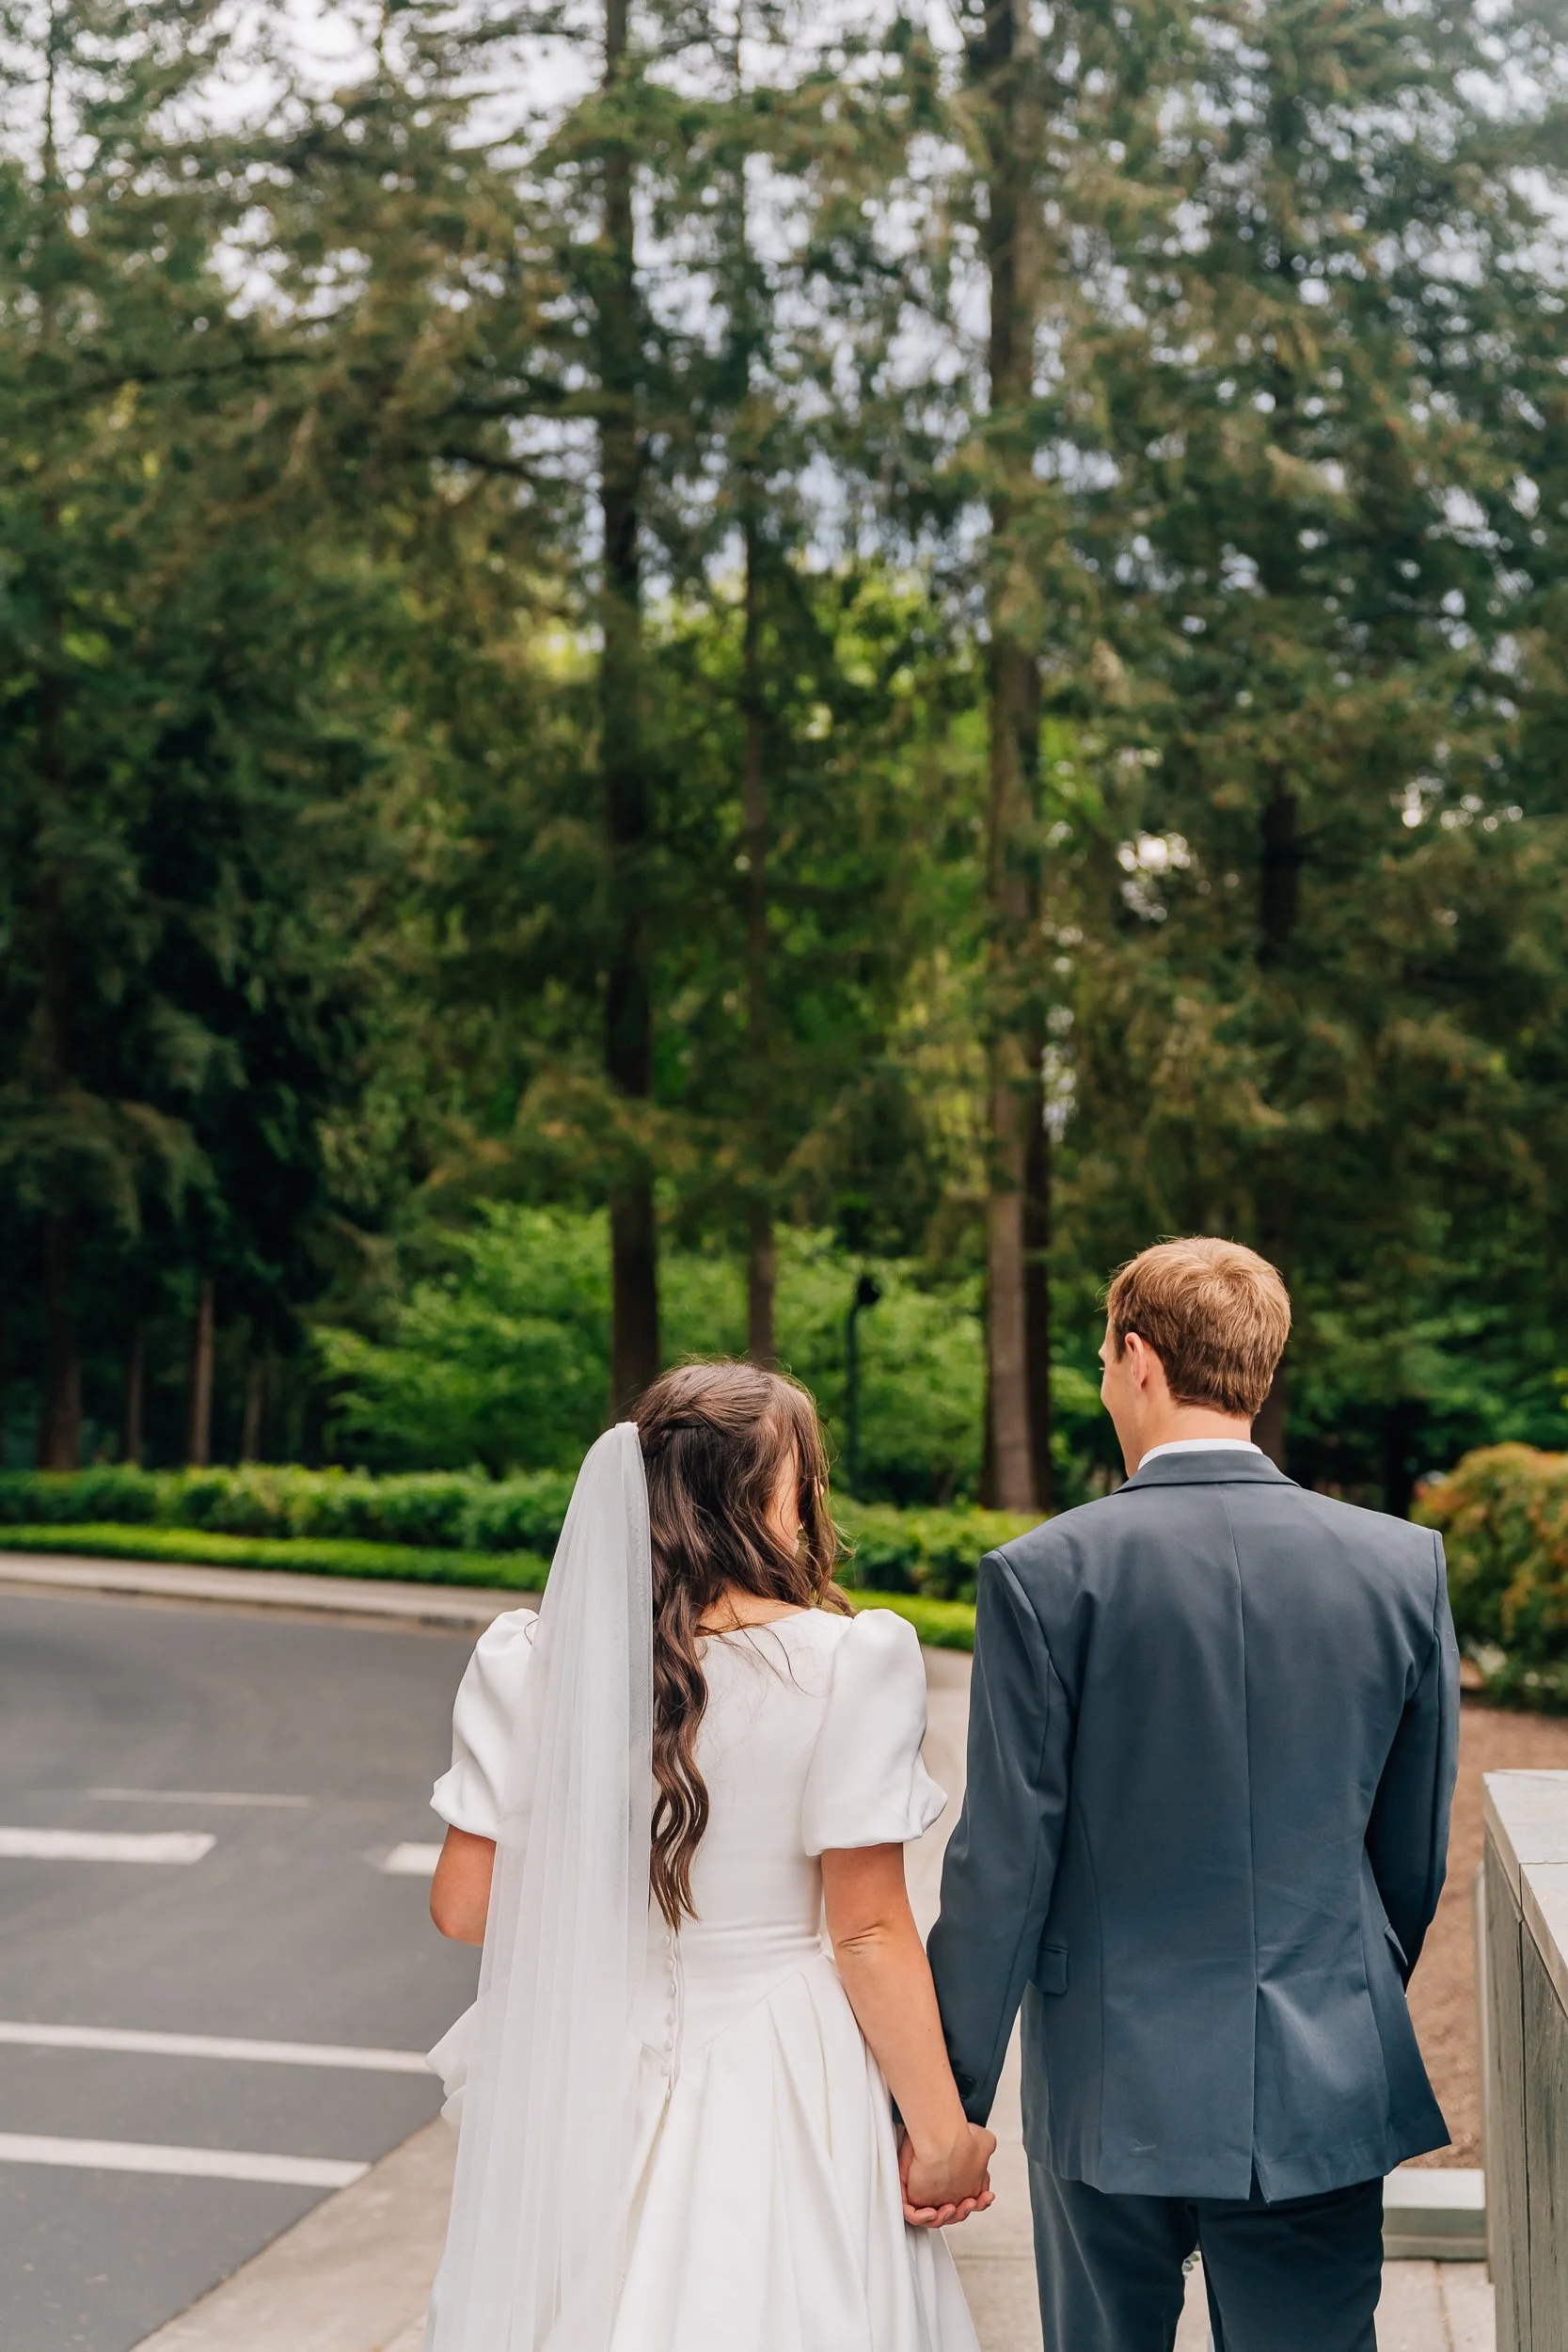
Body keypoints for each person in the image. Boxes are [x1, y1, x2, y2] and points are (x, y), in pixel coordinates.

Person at [927, 1237, 1459, 2352]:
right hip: (1320, 2073)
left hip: (1103, 2084)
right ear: (1255, 1372)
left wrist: (943, 2104)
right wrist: (1333, 1989)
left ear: (1136, 1359)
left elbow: (1001, 1870)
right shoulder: (1398, 1565)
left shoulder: (1040, 1575)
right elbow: (1407, 1858)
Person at [422, 1360, 993, 2352]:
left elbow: (464, 1908)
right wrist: (942, 2138)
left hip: (584, 2070)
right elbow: (864, 1929)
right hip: (781, 2072)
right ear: (774, 1494)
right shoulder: (849, 1661)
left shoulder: (528, 1662)